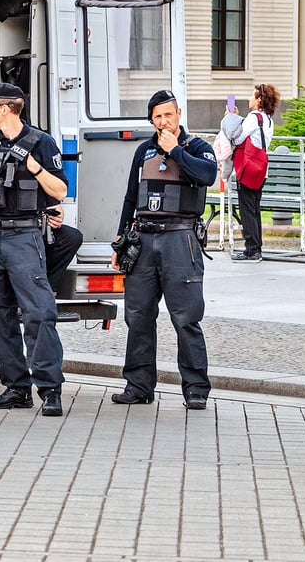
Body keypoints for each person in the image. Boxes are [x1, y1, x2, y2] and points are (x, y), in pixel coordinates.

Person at [110, 90, 218, 409]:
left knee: (186, 317)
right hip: (142, 240)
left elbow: (208, 175)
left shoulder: (196, 147)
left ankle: (196, 388)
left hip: (180, 239)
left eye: (168, 115)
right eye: (157, 116)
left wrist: (176, 152)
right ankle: (138, 385)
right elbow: (131, 197)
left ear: (178, 114)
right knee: (138, 315)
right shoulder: (143, 151)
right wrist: (120, 241)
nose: (163, 121)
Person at [0, 82, 69, 417]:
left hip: (25, 236)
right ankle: (16, 387)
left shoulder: (41, 142)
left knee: (39, 312)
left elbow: (59, 190)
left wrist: (33, 166)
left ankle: (50, 388)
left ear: (8, 108)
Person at [231, 83, 280, 262]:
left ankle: (251, 249)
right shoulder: (268, 119)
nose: (249, 100)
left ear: (259, 100)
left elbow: (238, 138)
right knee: (255, 209)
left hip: (249, 167)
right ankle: (256, 247)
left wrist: (231, 119)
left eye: (252, 96)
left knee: (247, 210)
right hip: (261, 168)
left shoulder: (254, 117)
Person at [44, 204, 84, 297]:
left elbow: (57, 209)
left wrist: (54, 218)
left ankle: (47, 289)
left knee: (73, 237)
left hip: (37, 228)